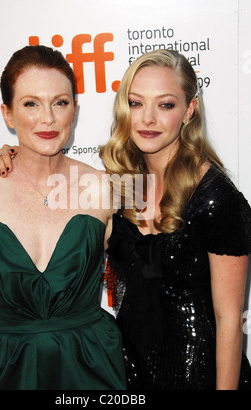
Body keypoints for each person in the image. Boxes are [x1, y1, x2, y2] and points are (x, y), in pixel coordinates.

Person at [0, 45, 126, 390]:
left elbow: (145, 277)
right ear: (8, 114)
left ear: (74, 111)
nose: (47, 118)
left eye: (60, 103)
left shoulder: (108, 187)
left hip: (95, 368)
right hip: (8, 370)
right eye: (31, 103)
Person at [99, 49, 251, 390]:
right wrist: (15, 155)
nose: (147, 119)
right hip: (129, 367)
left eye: (165, 105)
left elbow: (229, 319)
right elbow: (50, 189)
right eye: (136, 103)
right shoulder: (124, 182)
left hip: (194, 369)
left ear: (189, 110)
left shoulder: (214, 198)